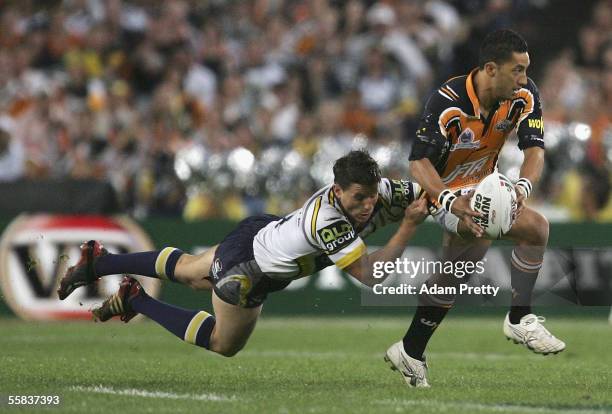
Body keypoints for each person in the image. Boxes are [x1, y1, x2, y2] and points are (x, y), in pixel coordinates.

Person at [58, 150, 463, 357]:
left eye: (373, 197)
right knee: (223, 344)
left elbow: (431, 193)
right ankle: (136, 299)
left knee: (188, 271)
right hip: (250, 270)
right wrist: (408, 224)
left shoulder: (379, 192)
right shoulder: (328, 222)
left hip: (261, 231)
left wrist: (462, 204)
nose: (368, 206)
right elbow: (371, 275)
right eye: (359, 198)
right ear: (338, 191)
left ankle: (101, 261)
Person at [384, 29, 565, 388]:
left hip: (484, 184)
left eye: (526, 70)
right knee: (526, 230)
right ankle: (519, 318)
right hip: (442, 190)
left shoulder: (524, 95)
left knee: (459, 270)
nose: (524, 79)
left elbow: (535, 150)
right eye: (517, 70)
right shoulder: (447, 100)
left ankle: (411, 349)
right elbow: (419, 162)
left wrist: (524, 187)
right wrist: (450, 200)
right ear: (490, 69)